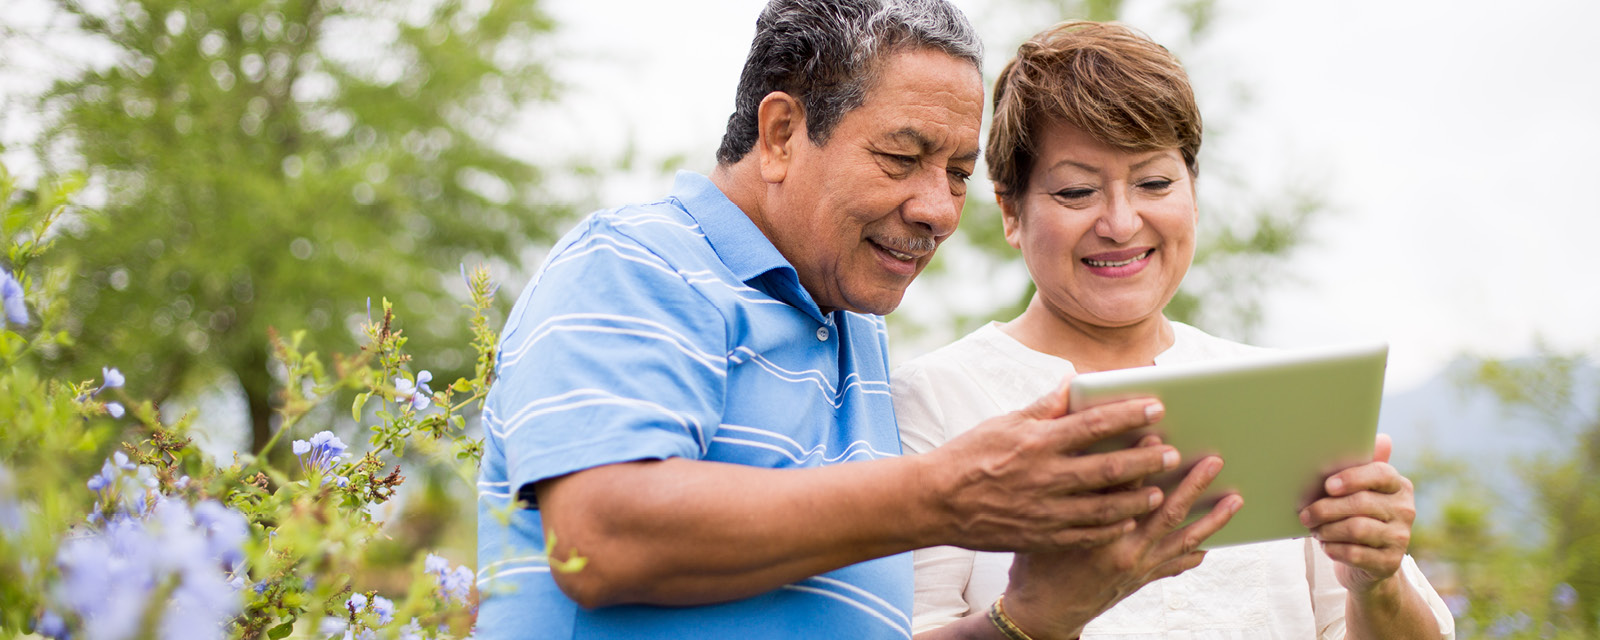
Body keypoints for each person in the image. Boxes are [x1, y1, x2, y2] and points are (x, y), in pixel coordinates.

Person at [474, 2, 1237, 638]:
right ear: (780, 135)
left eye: (958, 174)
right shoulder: (640, 262)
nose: (937, 209)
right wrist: (939, 494)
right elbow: (598, 539)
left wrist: (1030, 617)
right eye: (902, 159)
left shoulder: (856, 340)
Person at [892, 20, 1456, 639]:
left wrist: (1376, 582)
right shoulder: (932, 400)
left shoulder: (1278, 395)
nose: (1121, 222)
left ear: (1193, 190)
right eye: (1078, 191)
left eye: (1155, 182)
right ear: (1010, 210)